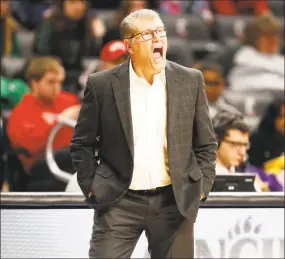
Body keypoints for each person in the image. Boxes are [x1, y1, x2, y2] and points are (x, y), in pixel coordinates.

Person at [70, 9, 217, 258]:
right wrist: (93, 186)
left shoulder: (190, 80)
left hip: (174, 201)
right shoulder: (102, 85)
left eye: (161, 31)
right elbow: (82, 143)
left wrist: (201, 187)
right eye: (148, 34)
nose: (158, 39)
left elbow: (205, 143)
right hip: (119, 201)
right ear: (129, 45)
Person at [7, 57, 80, 191]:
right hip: (43, 168)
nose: (56, 87)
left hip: (75, 161)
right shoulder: (21, 112)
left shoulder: (69, 101)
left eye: (59, 82)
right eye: (51, 82)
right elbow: (31, 149)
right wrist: (60, 120)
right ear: (35, 83)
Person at [212, 110, 266, 192]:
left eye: (245, 145)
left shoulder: (251, 182)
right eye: (234, 144)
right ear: (216, 141)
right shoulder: (197, 181)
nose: (242, 152)